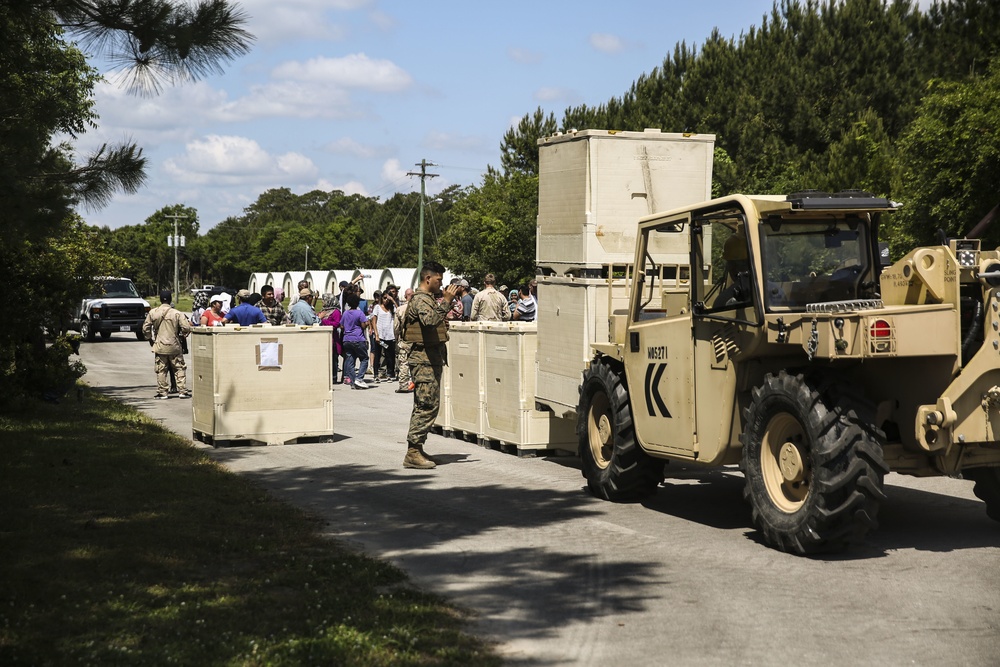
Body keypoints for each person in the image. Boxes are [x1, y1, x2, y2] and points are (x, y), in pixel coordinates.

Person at [400, 261, 460, 469]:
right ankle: (413, 452)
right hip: (423, 359)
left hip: (429, 358)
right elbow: (429, 321)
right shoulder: (422, 300)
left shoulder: (426, 300)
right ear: (428, 279)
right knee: (426, 405)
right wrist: (446, 302)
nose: (441, 285)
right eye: (438, 280)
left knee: (426, 404)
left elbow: (432, 323)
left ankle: (418, 447)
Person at [143, 289, 193, 399]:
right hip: (174, 345)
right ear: (170, 300)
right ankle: (182, 391)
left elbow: (145, 328)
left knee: (161, 369)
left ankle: (163, 392)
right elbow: (186, 327)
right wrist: (183, 334)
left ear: (160, 300)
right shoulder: (177, 313)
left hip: (160, 345)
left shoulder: (153, 312)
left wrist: (150, 339)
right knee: (179, 367)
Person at [341, 291, 370, 389]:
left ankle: (353, 381)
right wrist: (367, 323)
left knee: (350, 360)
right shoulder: (359, 313)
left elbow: (341, 326)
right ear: (357, 303)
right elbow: (363, 324)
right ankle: (359, 378)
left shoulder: (345, 313)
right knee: (364, 359)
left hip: (347, 339)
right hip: (358, 338)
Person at [371, 291, 397, 382]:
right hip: (380, 337)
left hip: (389, 336)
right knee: (377, 355)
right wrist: (376, 334)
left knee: (389, 355)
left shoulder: (391, 308)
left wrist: (393, 301)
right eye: (384, 298)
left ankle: (390, 373)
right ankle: (376, 374)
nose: (386, 300)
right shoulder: (377, 307)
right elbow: (374, 320)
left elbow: (399, 311)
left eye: (387, 298)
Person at [394, 288, 415, 393]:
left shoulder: (400, 309)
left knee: (404, 363)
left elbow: (396, 327)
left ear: (405, 296)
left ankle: (403, 385)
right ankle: (416, 383)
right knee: (416, 363)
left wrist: (396, 338)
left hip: (405, 340)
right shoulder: (418, 308)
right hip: (417, 340)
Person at [319, 293, 343, 383]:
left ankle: (334, 377)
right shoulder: (324, 310)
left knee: (333, 359)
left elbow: (337, 324)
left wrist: (323, 321)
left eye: (324, 300)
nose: (322, 302)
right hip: (323, 338)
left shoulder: (336, 312)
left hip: (333, 339)